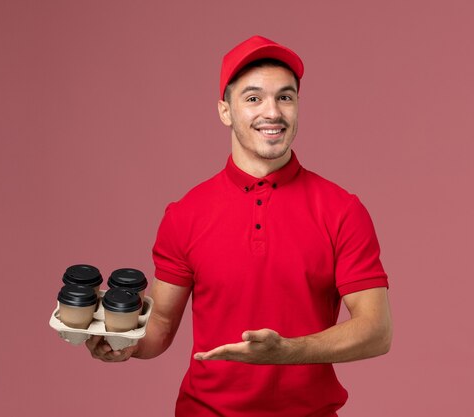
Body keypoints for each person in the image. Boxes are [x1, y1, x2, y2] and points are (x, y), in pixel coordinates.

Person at [86, 35, 393, 417]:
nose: (273, 112)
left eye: (285, 97)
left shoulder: (342, 210)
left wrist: (287, 352)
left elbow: (376, 331)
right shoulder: (185, 214)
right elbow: (161, 325)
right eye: (253, 98)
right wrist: (123, 343)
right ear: (225, 111)